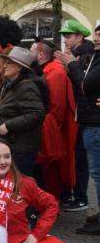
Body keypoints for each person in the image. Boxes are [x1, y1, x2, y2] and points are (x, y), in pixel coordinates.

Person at [57, 24, 100, 232]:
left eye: (68, 36)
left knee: (95, 172)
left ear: (80, 37)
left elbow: (84, 85)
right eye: (97, 34)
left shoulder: (88, 56)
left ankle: (84, 200)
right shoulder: (93, 56)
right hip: (88, 119)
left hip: (94, 122)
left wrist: (72, 65)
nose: (97, 38)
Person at [0, 46, 46, 177]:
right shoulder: (11, 85)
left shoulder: (26, 87)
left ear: (19, 67)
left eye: (9, 63)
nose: (4, 66)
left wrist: (9, 125)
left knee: (19, 184)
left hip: (21, 149)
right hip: (11, 146)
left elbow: (37, 113)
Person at [31, 39, 77, 200]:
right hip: (47, 127)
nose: (29, 53)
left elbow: (56, 108)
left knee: (52, 169)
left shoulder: (55, 72)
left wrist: (50, 132)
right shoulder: (47, 70)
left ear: (40, 54)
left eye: (32, 50)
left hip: (52, 129)